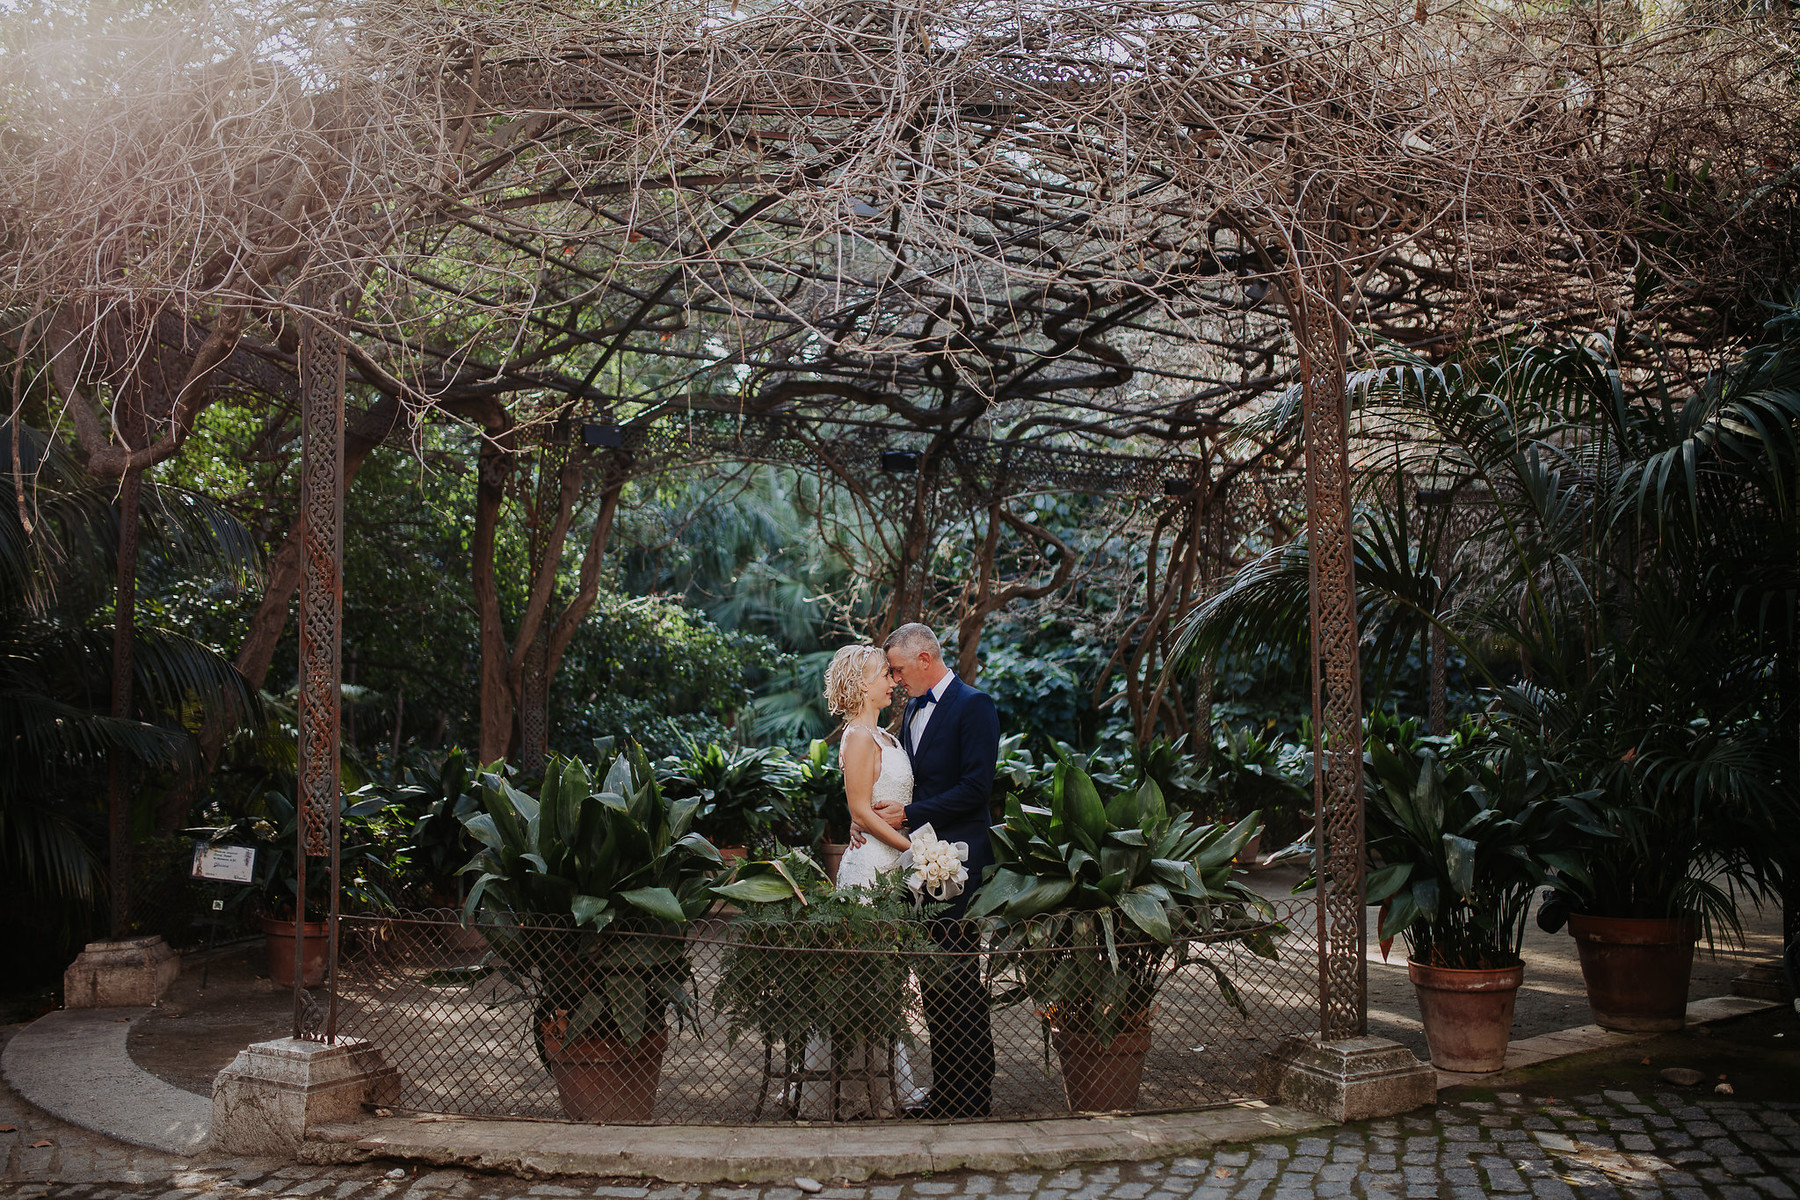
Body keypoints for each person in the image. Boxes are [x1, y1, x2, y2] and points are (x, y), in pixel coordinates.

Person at [861, 622, 1000, 1119]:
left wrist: (912, 816)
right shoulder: (915, 709)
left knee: (960, 974)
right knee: (933, 978)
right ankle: (947, 1090)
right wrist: (871, 821)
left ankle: (974, 1096)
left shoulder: (974, 706)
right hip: (918, 859)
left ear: (924, 659)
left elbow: (977, 789)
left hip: (961, 857)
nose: (895, 680)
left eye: (897, 669)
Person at [792, 644, 925, 1118]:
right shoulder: (857, 737)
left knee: (885, 981)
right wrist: (919, 849)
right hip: (869, 868)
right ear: (861, 684)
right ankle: (853, 1092)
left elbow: (877, 804)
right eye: (884, 675)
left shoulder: (887, 737)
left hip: (892, 868)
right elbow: (860, 811)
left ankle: (881, 1082)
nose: (892, 681)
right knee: (859, 980)